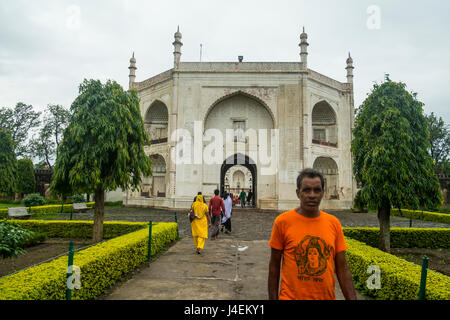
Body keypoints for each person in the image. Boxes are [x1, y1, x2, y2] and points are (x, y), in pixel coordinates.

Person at [268, 168, 357, 300]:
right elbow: (274, 267)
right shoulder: (282, 222)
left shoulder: (333, 223)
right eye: (306, 190)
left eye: (317, 190)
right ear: (298, 193)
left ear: (322, 193)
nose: (312, 195)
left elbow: (342, 269)